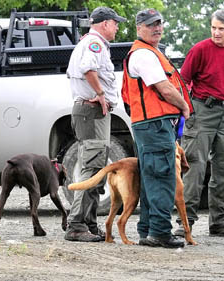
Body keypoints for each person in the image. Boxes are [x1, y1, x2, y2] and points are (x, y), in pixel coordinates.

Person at [174, 8, 224, 238]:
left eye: (221, 28)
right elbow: (183, 81)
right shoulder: (199, 50)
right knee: (194, 168)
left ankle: (218, 221)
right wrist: (186, 109)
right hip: (202, 112)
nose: (216, 33)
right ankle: (185, 222)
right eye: (213, 28)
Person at [122, 8, 192, 248]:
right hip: (154, 125)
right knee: (162, 177)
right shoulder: (144, 54)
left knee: (151, 177)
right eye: (151, 24)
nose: (157, 28)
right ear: (139, 28)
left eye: (160, 24)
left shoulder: (148, 52)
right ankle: (160, 233)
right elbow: (164, 88)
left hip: (151, 124)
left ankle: (148, 231)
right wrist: (184, 106)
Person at [63, 7, 126, 242]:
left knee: (97, 167)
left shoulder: (94, 43)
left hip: (95, 113)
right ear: (104, 23)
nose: (117, 27)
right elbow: (87, 69)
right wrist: (100, 93)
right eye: (115, 23)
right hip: (91, 111)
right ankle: (76, 225)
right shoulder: (94, 44)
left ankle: (88, 223)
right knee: (92, 168)